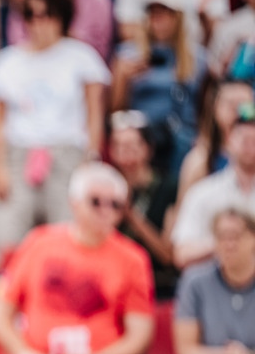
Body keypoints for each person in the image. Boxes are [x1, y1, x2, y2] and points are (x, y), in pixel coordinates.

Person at [0, 162, 155, 354]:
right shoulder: (38, 242)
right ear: (74, 203)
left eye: (116, 204)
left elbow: (139, 334)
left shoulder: (134, 259)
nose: (106, 211)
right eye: (96, 201)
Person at [0, 0, 109, 270]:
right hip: (17, 155)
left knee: (69, 236)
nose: (39, 22)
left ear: (62, 17)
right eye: (31, 15)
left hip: (67, 155)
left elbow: (94, 114)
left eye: (47, 15)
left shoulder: (82, 56)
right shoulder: (7, 61)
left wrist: (90, 160)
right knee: (4, 239)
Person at [109, 0, 204, 178]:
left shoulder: (199, 59)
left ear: (178, 17)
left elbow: (204, 109)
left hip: (182, 137)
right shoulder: (128, 55)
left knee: (188, 143)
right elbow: (115, 112)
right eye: (153, 13)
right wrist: (122, 79)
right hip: (142, 135)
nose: (158, 20)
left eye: (165, 13)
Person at [107, 109, 180, 300]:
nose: (125, 152)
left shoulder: (168, 187)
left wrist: (131, 216)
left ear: (148, 148)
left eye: (132, 145)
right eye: (119, 146)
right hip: (113, 280)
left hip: (156, 283)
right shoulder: (105, 188)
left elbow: (167, 254)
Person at [172, 101, 255, 267]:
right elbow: (181, 254)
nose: (249, 144)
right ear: (228, 140)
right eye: (243, 137)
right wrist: (228, 242)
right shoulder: (202, 193)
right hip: (214, 285)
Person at [173, 206, 255, 354]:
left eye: (236, 236)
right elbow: (186, 350)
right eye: (222, 237)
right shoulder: (194, 281)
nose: (229, 244)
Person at [176, 78, 254, 203]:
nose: (236, 110)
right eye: (230, 104)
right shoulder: (201, 159)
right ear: (215, 108)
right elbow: (184, 211)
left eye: (244, 104)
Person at [114, 0, 229, 48]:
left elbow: (219, 36)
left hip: (196, 58)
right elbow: (126, 31)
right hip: (147, 57)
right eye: (154, 11)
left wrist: (203, 17)